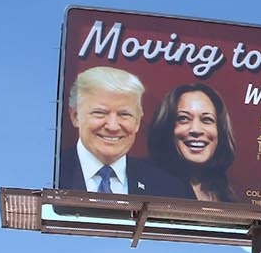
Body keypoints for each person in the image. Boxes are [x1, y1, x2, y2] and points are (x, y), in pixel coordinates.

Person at [56, 66, 193, 199]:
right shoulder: (49, 175)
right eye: (100, 113)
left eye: (124, 114)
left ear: (137, 122)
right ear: (75, 116)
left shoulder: (170, 190)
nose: (113, 126)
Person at [147, 84, 237, 202]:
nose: (195, 130)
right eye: (183, 118)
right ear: (166, 127)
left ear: (220, 131)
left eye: (206, 120)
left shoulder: (226, 196)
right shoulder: (146, 184)